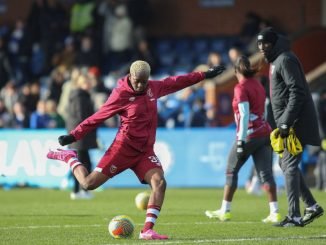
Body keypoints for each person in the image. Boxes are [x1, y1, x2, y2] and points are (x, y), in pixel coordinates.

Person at [47, 60, 225, 240]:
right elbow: (97, 117)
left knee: (159, 183)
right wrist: (73, 136)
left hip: (145, 152)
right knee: (88, 184)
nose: (140, 85)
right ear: (130, 76)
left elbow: (178, 81)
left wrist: (204, 75)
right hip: (123, 149)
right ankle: (69, 157)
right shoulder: (120, 94)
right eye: (137, 80)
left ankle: (147, 230)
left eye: (144, 81)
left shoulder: (153, 88)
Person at [257, 27, 324, 227]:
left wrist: (286, 121)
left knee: (289, 165)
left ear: (274, 43)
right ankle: (311, 206)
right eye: (260, 44)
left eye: (266, 44)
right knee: (285, 165)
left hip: (295, 123)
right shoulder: (276, 61)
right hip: (286, 123)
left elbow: (298, 91)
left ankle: (294, 215)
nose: (262, 48)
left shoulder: (285, 59)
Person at [205, 56, 281, 223]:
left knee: (231, 170)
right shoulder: (258, 85)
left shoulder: (240, 87)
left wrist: (240, 141)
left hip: (249, 134)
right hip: (264, 132)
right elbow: (265, 108)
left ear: (236, 71)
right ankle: (274, 212)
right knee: (266, 174)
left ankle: (225, 210)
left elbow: (245, 114)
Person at [65, 73, 98, 200]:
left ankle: (78, 190)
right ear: (80, 84)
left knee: (80, 163)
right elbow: (81, 117)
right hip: (80, 135)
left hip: (78, 135)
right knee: (84, 163)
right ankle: (81, 190)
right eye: (85, 82)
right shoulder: (80, 97)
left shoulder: (79, 96)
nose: (88, 84)